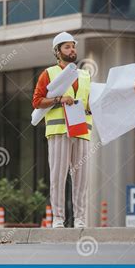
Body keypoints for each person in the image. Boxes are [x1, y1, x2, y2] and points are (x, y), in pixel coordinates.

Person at [32, 32, 92, 228]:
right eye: (67, 47)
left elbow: (90, 100)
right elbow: (37, 102)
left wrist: (92, 105)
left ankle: (80, 219)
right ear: (57, 51)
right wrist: (59, 100)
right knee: (58, 176)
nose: (72, 50)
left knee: (82, 178)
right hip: (58, 130)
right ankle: (58, 218)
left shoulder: (85, 75)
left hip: (82, 130)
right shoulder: (48, 73)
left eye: (73, 46)